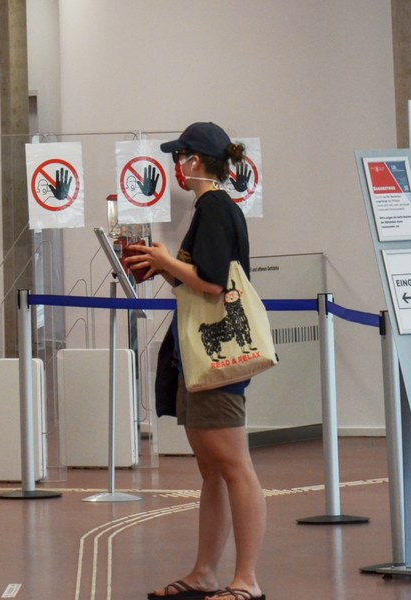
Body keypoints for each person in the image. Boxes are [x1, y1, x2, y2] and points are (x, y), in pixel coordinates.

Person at [125, 122, 266, 600]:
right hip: (197, 353)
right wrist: (162, 265)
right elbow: (198, 280)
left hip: (215, 356)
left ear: (194, 162)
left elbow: (210, 282)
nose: (174, 166)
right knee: (212, 469)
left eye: (178, 156)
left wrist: (166, 262)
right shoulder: (213, 209)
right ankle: (205, 572)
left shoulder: (215, 209)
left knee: (233, 465)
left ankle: (245, 579)